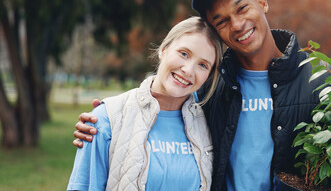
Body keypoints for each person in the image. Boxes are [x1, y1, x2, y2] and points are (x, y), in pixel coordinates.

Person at [73, 0, 331, 190]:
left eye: (242, 8)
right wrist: (106, 118)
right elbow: (163, 99)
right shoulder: (210, 84)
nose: (238, 24)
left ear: (262, 2)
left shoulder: (323, 83)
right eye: (221, 21)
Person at [67, 16, 223, 191]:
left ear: (208, 76)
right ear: (164, 50)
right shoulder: (106, 119)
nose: (188, 70)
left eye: (203, 65)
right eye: (184, 54)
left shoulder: (209, 123)